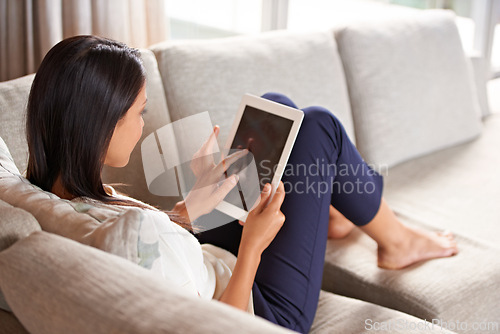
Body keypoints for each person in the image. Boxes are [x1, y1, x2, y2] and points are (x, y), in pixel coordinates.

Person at [25, 35, 458, 333]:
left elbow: (157, 245)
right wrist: (252, 243)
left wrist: (194, 201)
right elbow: (216, 325)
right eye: (139, 113)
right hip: (258, 310)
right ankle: (396, 241)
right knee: (319, 127)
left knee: (278, 110)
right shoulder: (112, 229)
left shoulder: (59, 192)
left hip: (210, 262)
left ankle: (326, 204)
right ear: (100, 125)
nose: (142, 125)